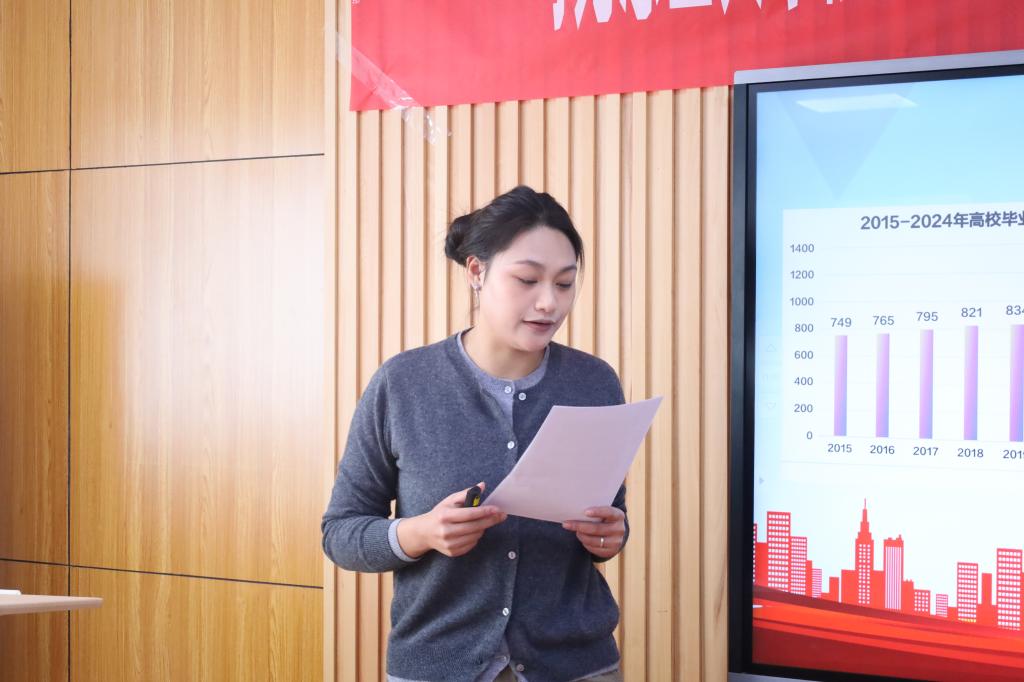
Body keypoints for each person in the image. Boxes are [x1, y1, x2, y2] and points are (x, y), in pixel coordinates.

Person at [322, 185, 629, 682]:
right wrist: (420, 533)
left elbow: (610, 518)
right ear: (476, 272)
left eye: (565, 283)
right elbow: (340, 533)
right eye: (527, 279)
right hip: (436, 666)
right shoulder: (403, 383)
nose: (549, 302)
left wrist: (610, 536)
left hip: (577, 666)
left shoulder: (594, 383)